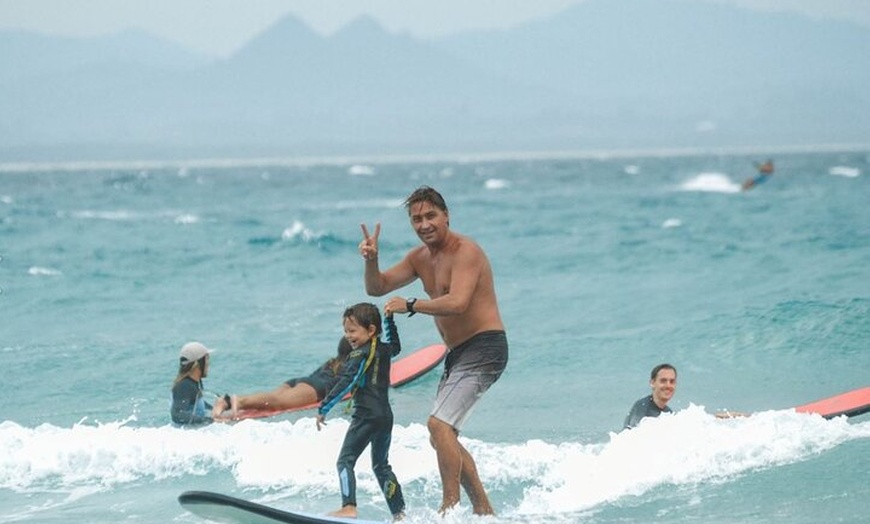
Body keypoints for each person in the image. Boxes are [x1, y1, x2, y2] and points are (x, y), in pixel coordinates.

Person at [358, 185, 508, 515]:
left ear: (446, 215)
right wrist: (372, 260)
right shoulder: (419, 258)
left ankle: (448, 510)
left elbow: (458, 302)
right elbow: (377, 286)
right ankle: (484, 512)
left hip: (486, 345)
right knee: (443, 435)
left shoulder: (467, 251)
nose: (424, 224)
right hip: (458, 353)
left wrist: (412, 304)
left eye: (430, 216)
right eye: (416, 219)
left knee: (438, 427)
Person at [316, 303, 406, 521]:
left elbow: (346, 382)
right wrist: (390, 320)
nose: (348, 336)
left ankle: (348, 506)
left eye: (352, 330)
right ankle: (399, 513)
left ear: (371, 330)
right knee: (381, 466)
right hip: (385, 416)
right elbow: (396, 346)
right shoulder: (384, 350)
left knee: (345, 461)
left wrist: (324, 407)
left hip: (366, 415)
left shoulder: (358, 355)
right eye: (346, 331)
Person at [212, 337, 353, 420]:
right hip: (316, 389)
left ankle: (231, 403)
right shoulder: (352, 365)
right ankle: (234, 401)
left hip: (299, 382)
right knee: (278, 403)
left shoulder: (332, 362)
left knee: (272, 398)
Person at [171, 341, 214, 426]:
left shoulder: (192, 385)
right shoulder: (184, 386)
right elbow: (177, 414)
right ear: (198, 364)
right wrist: (208, 420)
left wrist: (215, 409)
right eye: (206, 359)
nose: (208, 364)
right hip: (184, 436)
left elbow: (196, 405)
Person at [624, 363, 677, 429]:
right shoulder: (642, 407)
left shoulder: (668, 412)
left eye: (672, 381)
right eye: (663, 381)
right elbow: (633, 435)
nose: (668, 385)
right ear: (652, 383)